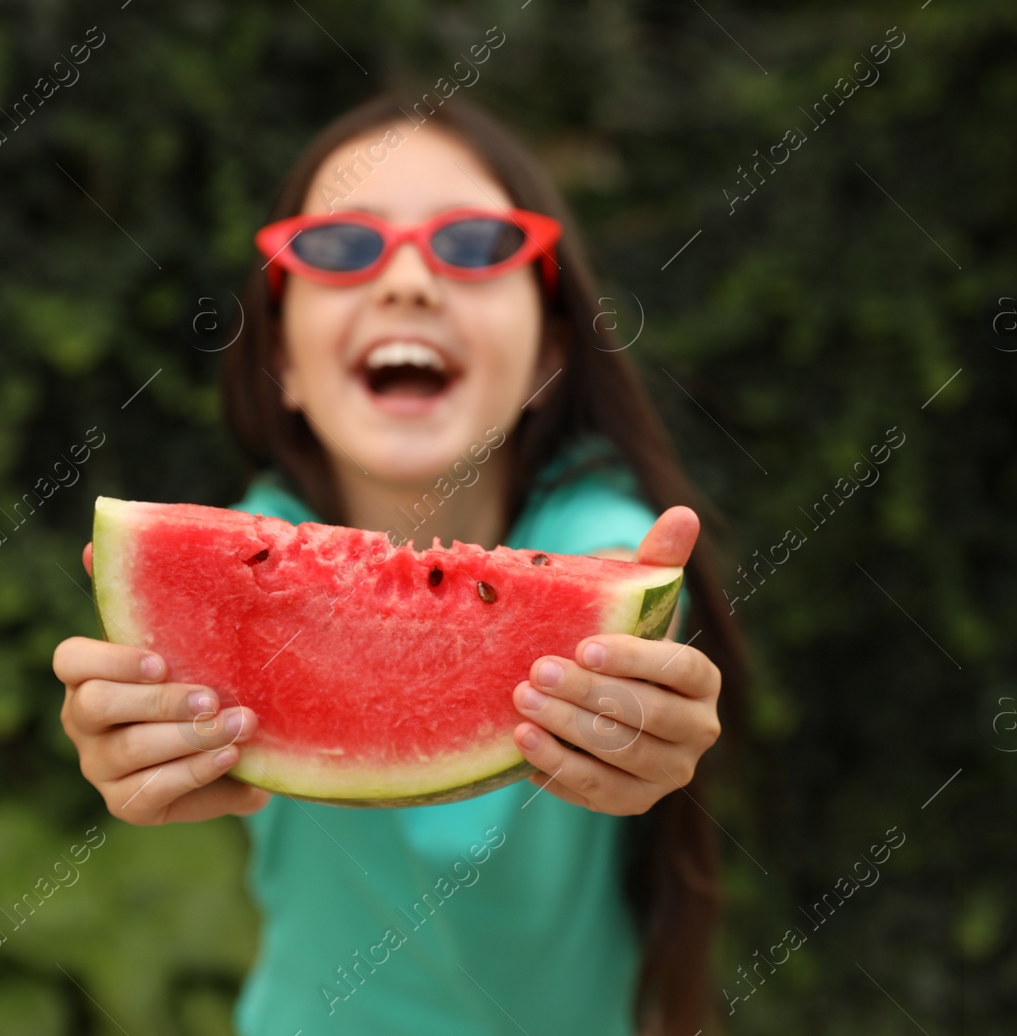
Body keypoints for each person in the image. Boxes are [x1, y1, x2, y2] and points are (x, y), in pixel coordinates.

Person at [53, 93, 748, 1035]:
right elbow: (167, 685)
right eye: (340, 249)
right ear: (284, 362)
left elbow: (627, 577)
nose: (410, 281)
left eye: (474, 244)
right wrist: (135, 733)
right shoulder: (251, 538)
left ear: (547, 346)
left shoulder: (608, 536)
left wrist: (656, 708)